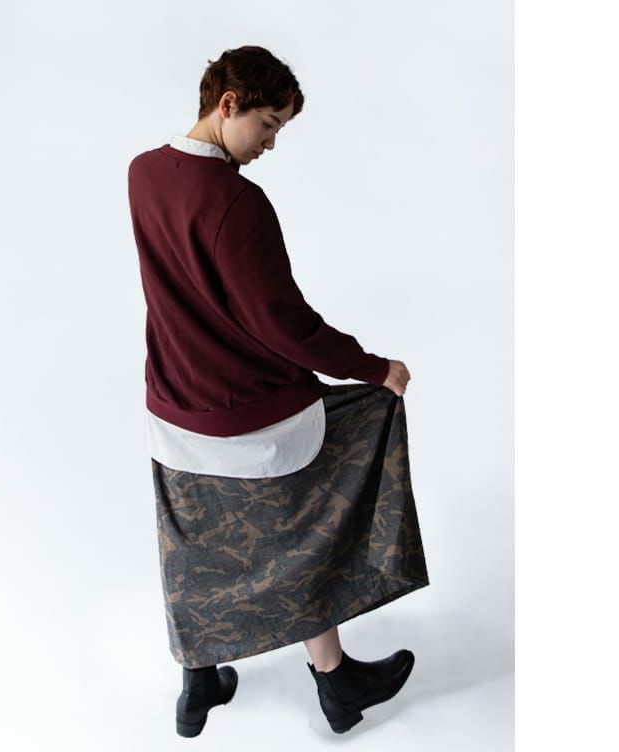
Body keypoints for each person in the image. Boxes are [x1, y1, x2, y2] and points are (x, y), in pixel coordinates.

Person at [127, 45, 430, 737]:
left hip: (172, 407)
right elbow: (283, 324)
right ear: (227, 104)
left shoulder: (142, 172)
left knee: (194, 546)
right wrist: (372, 368)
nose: (269, 145)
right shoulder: (238, 202)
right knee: (304, 536)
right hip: (250, 417)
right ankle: (335, 679)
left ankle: (198, 684)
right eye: (267, 125)